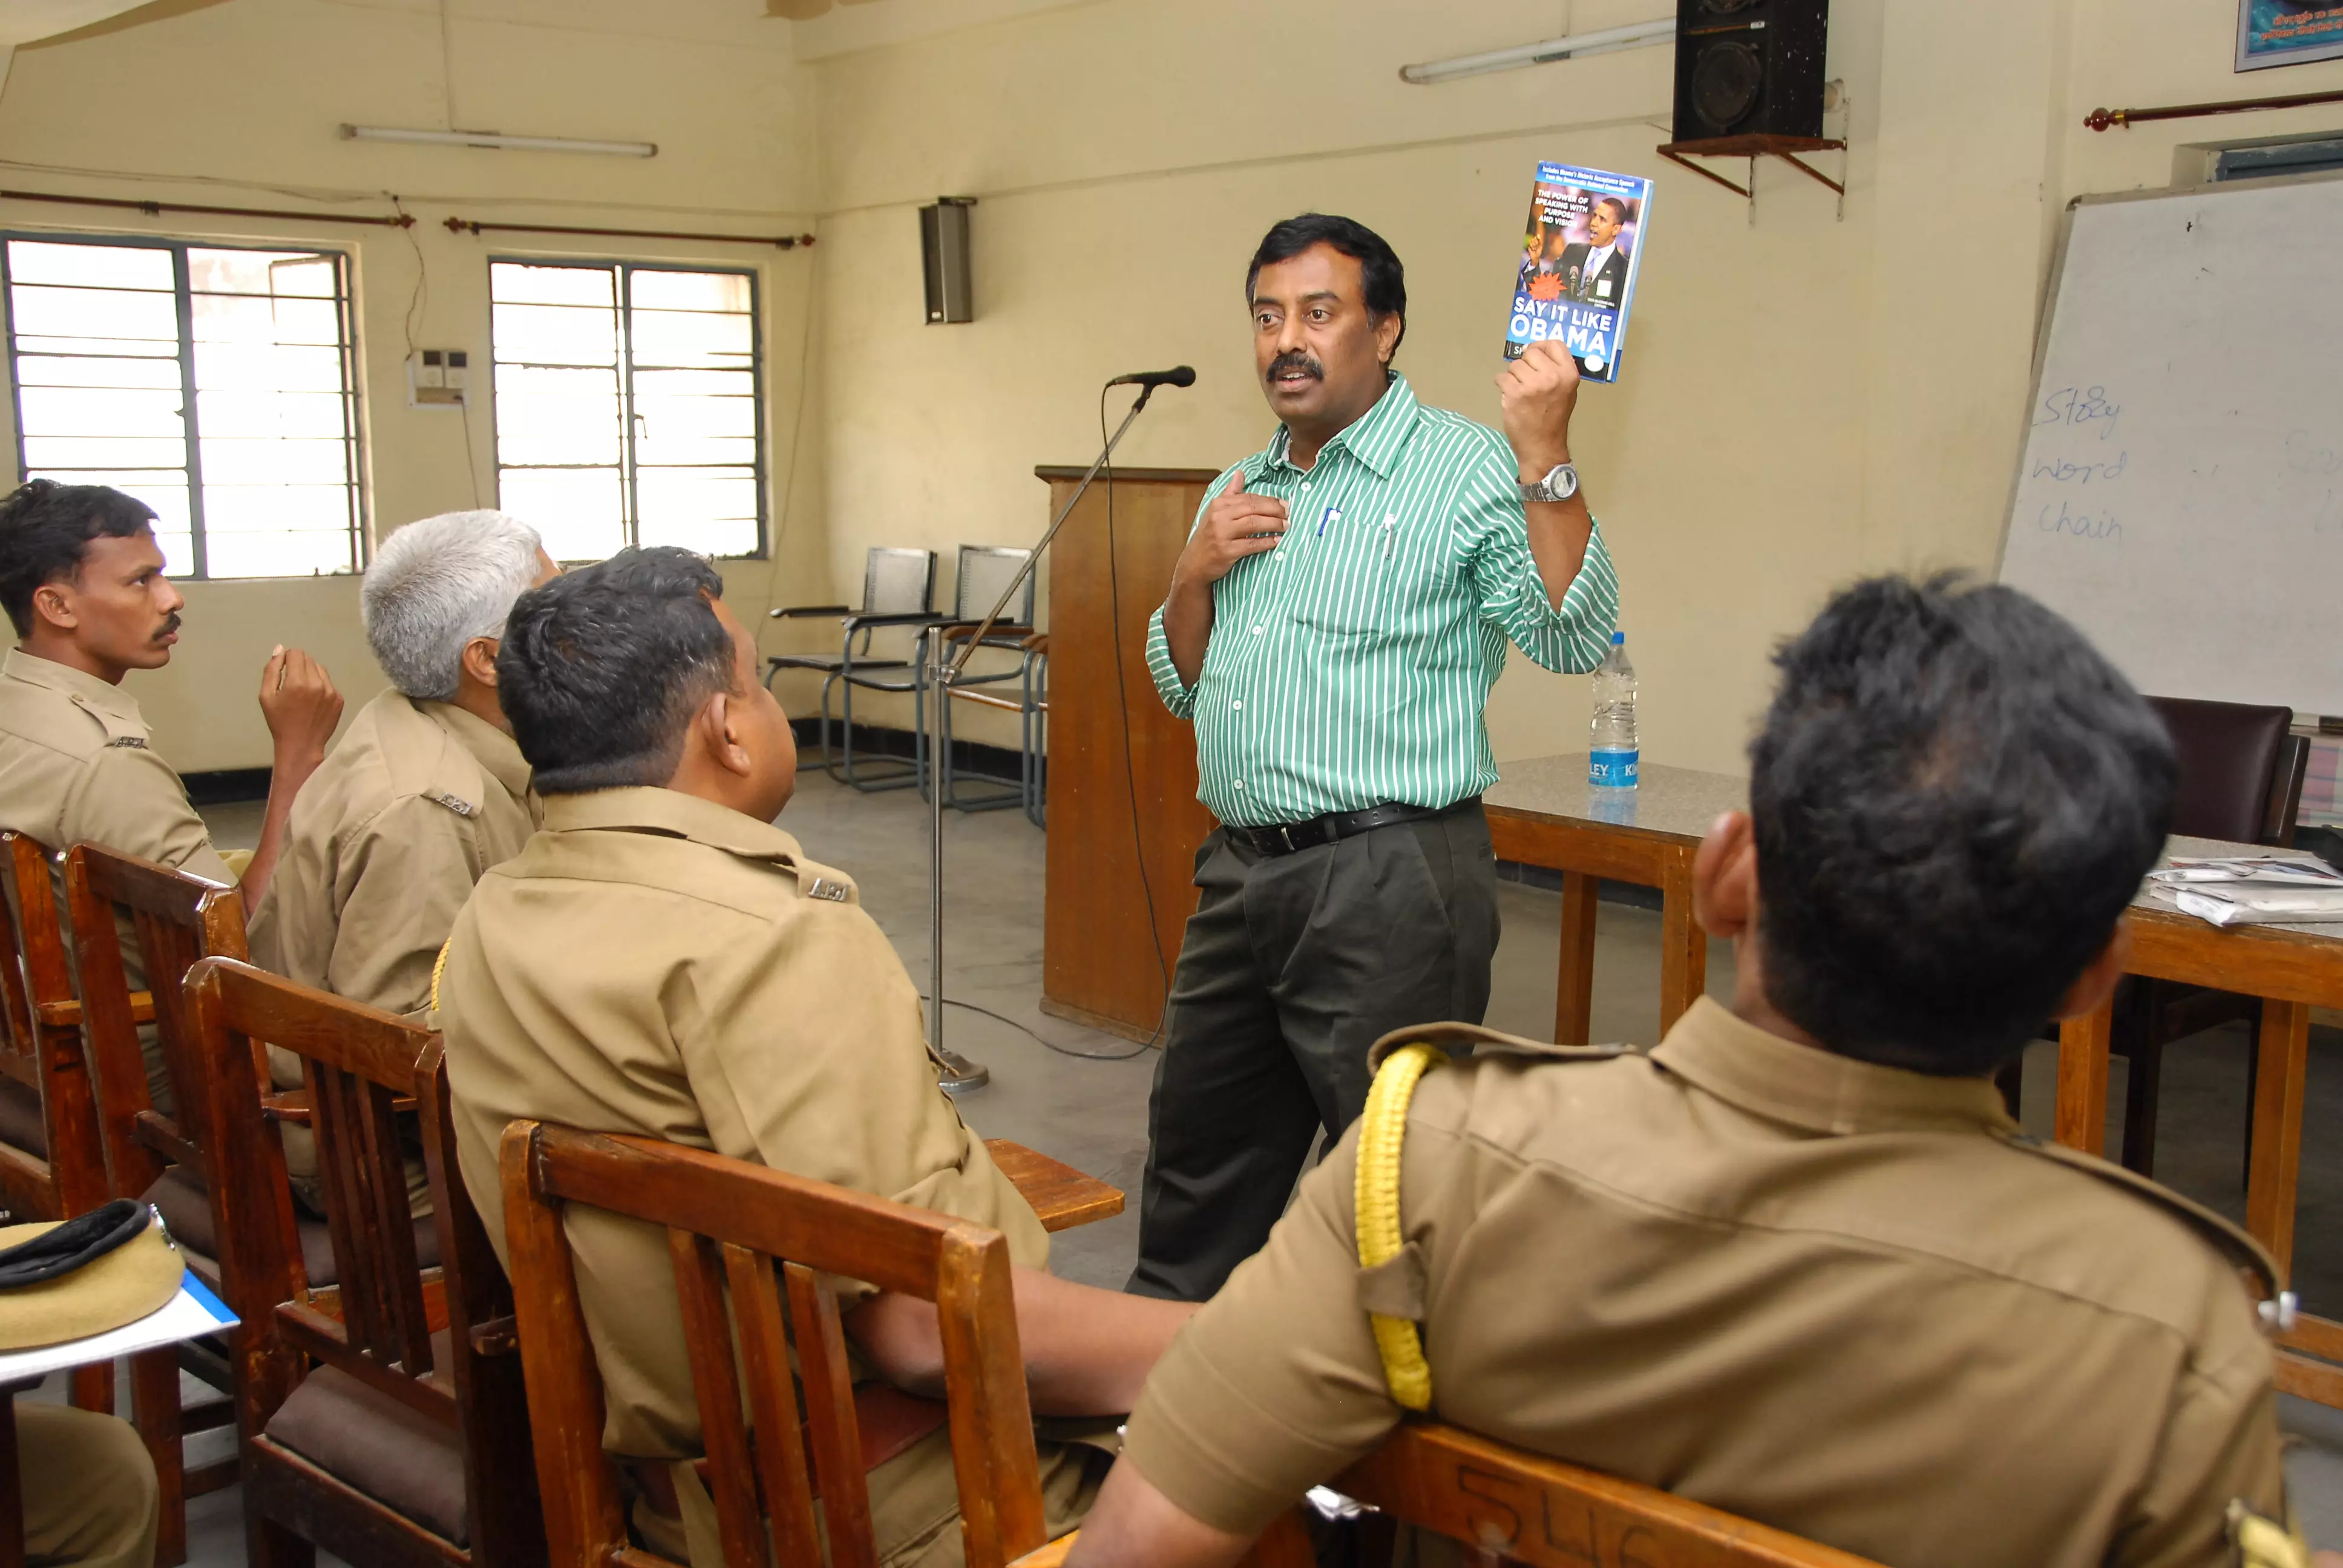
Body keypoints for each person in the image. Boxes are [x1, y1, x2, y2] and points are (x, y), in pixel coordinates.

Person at [1073, 575, 2299, 1568]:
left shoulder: (1427, 1164)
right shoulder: (2169, 1341)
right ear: (2095, 976)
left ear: (1723, 877)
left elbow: (1144, 1540)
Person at [436, 547, 1194, 1568]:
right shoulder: (769, 937)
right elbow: (925, 1331)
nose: (766, 705)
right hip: (884, 1499)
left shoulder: (490, 917)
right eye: (756, 679)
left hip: (676, 1503)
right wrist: (1245, 1350)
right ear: (726, 729)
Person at [1132, 213, 1620, 1302]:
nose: (1284, 341)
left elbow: (1570, 634)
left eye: (1318, 312)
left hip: (1390, 880)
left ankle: (1393, 1455)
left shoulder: (1458, 469)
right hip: (1239, 875)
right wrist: (1188, 576)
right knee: (1196, 1169)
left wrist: (1544, 455)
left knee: (1392, 1196)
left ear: (1385, 330)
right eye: (1267, 317)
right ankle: (1160, 1428)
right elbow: (1183, 683)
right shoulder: (1238, 486)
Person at [250, 508, 554, 1216]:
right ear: (484, 660)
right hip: (378, 1161)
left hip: (396, 1115)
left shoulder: (425, 718)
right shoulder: (426, 807)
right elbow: (409, 1047)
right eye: (554, 605)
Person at [0, 479, 340, 1109]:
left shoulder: (17, 708)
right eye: (142, 581)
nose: (172, 597)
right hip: (170, 1075)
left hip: (62, 1046)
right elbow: (236, 944)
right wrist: (298, 757)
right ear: (57, 605)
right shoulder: (104, 763)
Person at [1559, 196, 1632, 305]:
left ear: (1616, 229)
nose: (1593, 223)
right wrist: (1534, 263)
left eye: (1602, 219)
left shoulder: (1624, 270)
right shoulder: (1572, 251)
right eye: (1594, 216)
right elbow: (1550, 290)